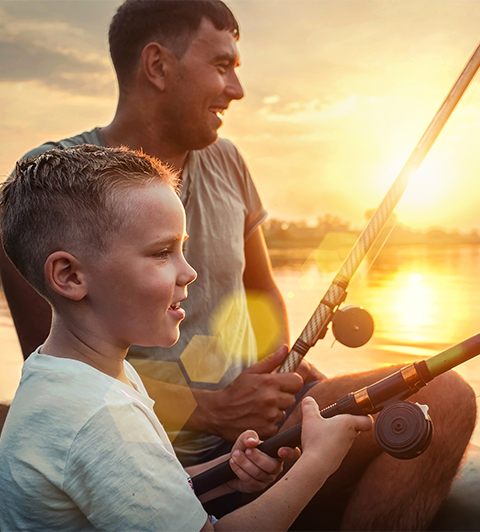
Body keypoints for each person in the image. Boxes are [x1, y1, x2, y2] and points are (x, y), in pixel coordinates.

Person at [0, 0, 476, 529]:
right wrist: (215, 408)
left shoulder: (228, 160)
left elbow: (264, 290)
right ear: (157, 65)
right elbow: (57, 349)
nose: (237, 89)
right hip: (172, 437)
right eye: (222, 65)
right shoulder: (48, 189)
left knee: (447, 397)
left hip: (245, 436)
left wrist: (282, 374)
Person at [0, 145, 372, 531]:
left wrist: (226, 470)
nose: (189, 271)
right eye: (162, 253)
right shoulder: (100, 415)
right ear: (70, 276)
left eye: (183, 248)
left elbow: (140, 484)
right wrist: (317, 462)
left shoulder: (63, 374)